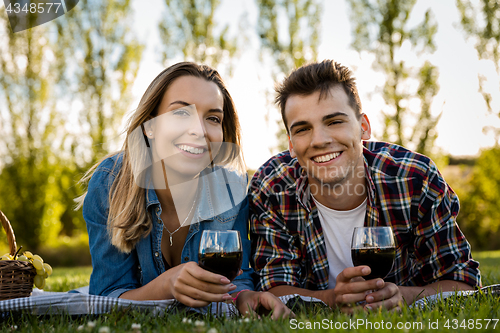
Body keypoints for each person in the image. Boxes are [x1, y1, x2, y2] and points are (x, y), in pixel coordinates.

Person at [249, 59, 481, 312]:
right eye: (303, 129)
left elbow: (463, 283)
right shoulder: (272, 186)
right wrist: (332, 299)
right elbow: (274, 288)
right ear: (291, 144)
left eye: (334, 122)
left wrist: (402, 295)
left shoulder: (416, 179)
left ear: (364, 127)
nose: (319, 140)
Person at [78, 62, 291, 319]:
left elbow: (238, 276)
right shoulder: (110, 183)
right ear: (150, 126)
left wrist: (244, 297)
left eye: (213, 118)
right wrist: (166, 286)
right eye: (180, 113)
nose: (199, 130)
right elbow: (107, 294)